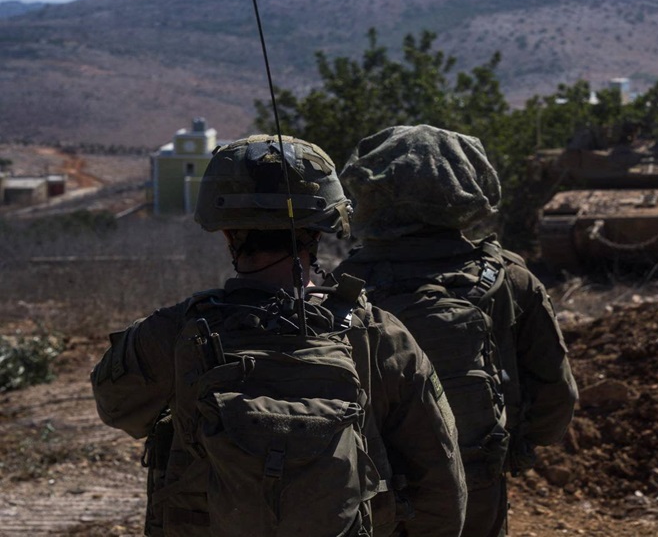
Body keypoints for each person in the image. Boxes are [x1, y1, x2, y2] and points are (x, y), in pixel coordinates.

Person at [90, 134, 466, 537]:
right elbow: (441, 487)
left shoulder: (174, 330)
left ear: (226, 231)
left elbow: (116, 408)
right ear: (322, 228)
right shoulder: (382, 336)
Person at [334, 125, 579, 537]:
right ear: (466, 185)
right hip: (478, 478)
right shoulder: (509, 280)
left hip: (375, 491)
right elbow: (557, 394)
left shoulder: (342, 286)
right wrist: (514, 452)